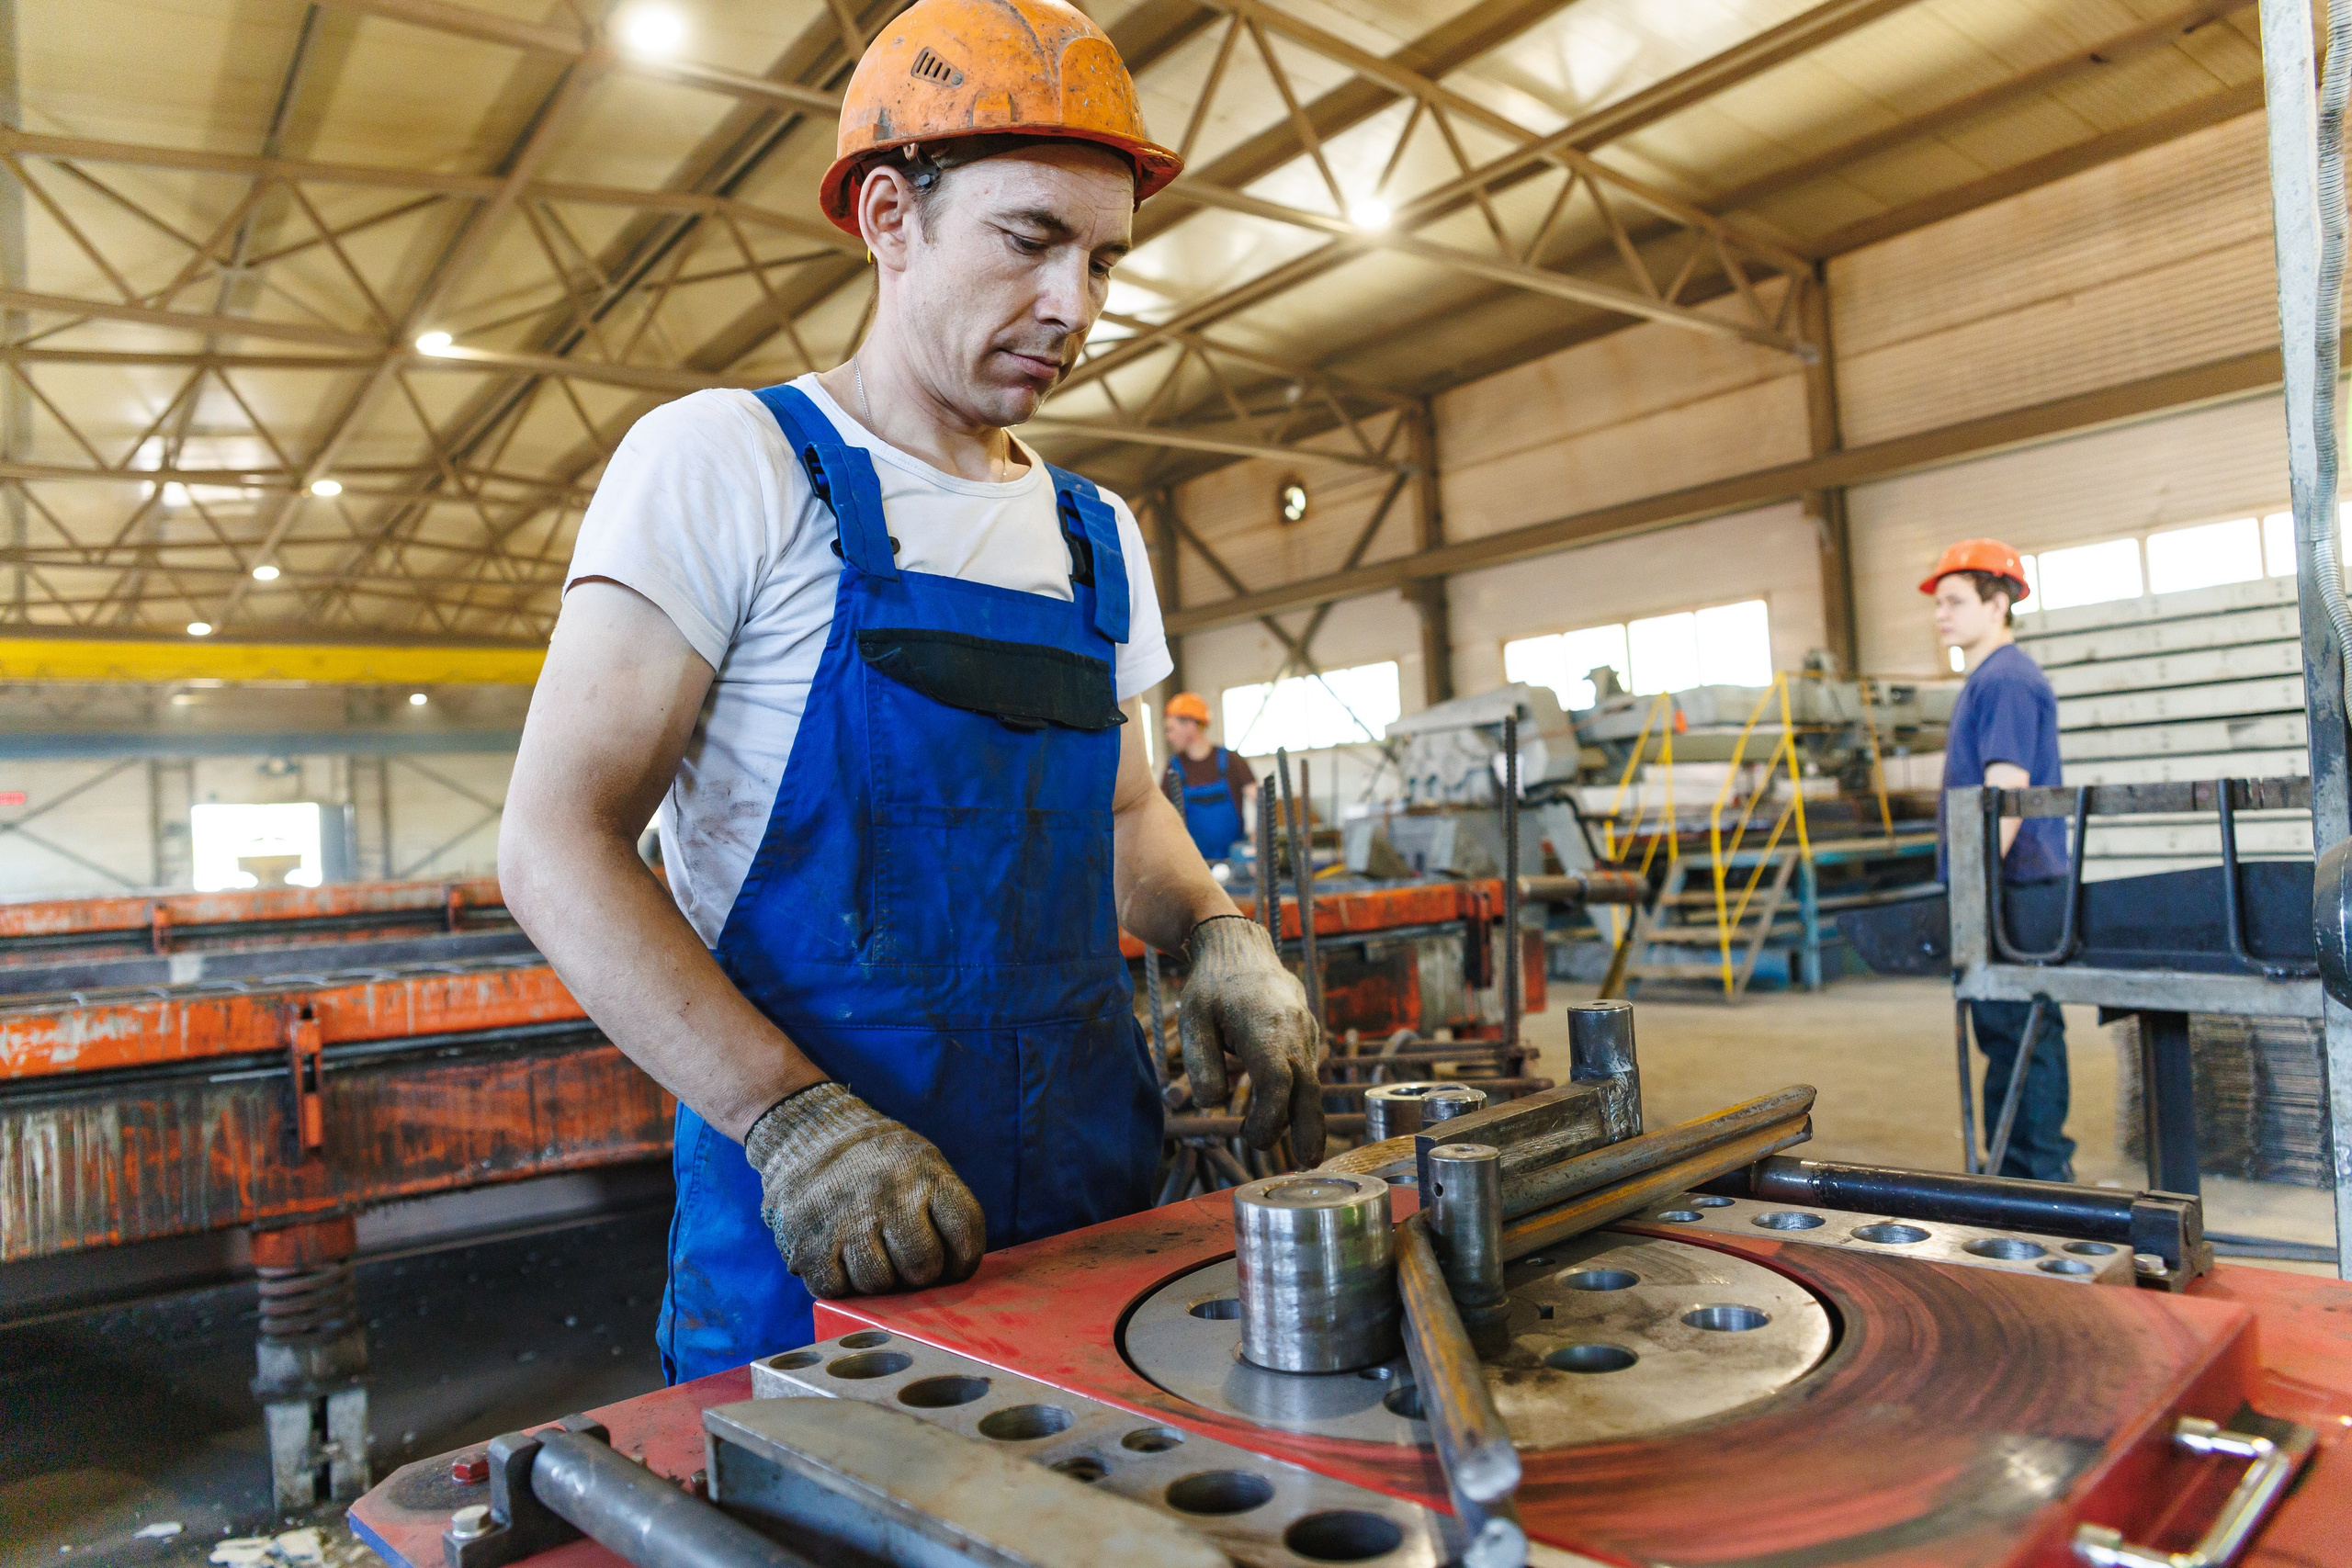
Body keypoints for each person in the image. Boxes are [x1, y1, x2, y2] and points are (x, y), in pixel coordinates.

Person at [499, 0, 1323, 1383]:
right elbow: (553, 842)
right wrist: (791, 1122)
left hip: (1091, 1210)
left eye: (1106, 260)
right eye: (1029, 239)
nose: (1076, 305)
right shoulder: (727, 463)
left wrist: (1216, 930)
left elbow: (1127, 813)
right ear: (889, 217)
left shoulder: (1093, 529)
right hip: (821, 1235)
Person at [1924, 538, 2075, 1181]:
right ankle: (2019, 1171)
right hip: (2007, 885)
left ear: (1998, 602)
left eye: (1955, 600)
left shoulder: (2008, 679)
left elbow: (2004, 797)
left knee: (2023, 1034)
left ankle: (2037, 1177)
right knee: (2010, 1033)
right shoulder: (1989, 679)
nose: (1940, 614)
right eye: (1938, 602)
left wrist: (1975, 892)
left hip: (2013, 888)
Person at [1160, 691, 1256, 863]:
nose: (1169, 737)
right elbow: (1160, 813)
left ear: (1190, 726)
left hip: (1235, 860)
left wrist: (1259, 833)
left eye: (1171, 729)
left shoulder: (1230, 760)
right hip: (1194, 863)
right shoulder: (1173, 768)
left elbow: (1260, 800)